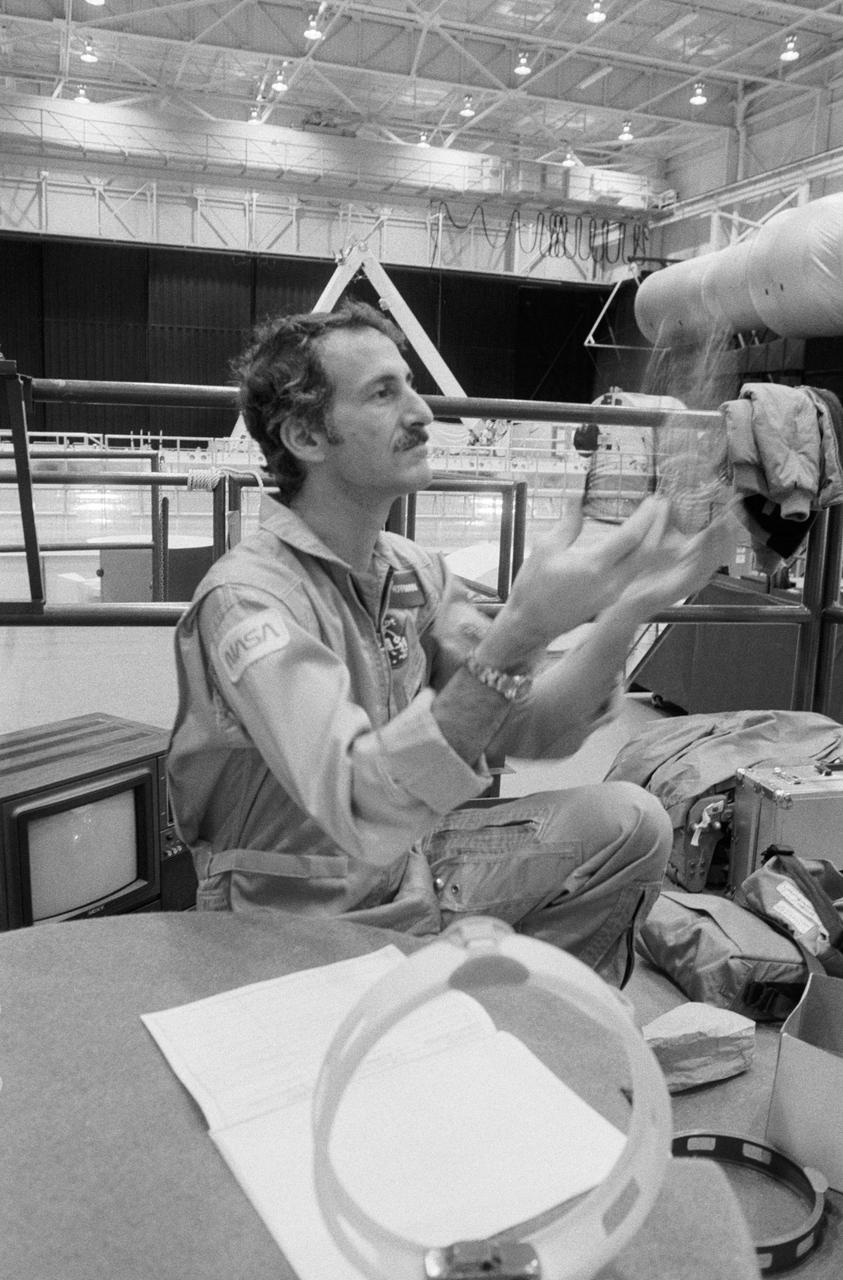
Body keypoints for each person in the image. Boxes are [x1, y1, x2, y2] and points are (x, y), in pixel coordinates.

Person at [167, 301, 732, 985]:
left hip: (405, 871)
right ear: (306, 437)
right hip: (285, 922)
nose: (422, 412)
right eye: (383, 393)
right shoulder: (250, 602)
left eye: (409, 384)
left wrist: (629, 607)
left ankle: (529, 1029)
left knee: (630, 824)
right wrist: (523, 627)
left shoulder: (409, 571)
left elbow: (536, 730)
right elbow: (357, 807)